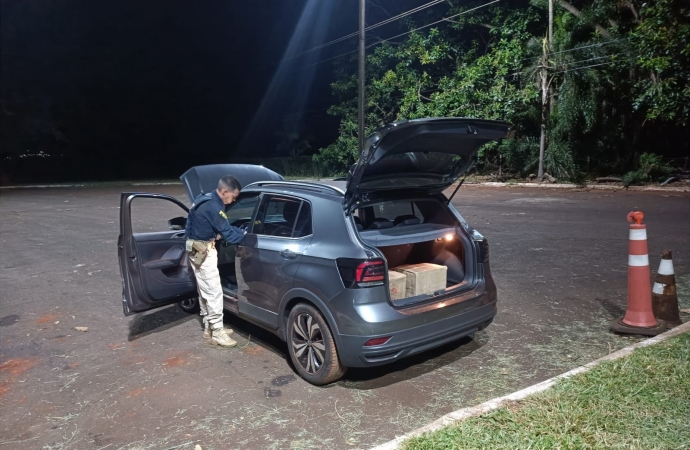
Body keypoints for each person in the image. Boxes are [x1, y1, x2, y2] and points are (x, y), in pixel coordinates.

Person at [184, 175, 246, 347]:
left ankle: (209, 327)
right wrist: (247, 236)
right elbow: (229, 234)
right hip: (204, 250)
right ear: (224, 191)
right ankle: (217, 332)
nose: (231, 201)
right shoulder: (213, 206)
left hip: (195, 248)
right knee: (213, 291)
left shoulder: (204, 198)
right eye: (232, 197)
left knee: (204, 290)